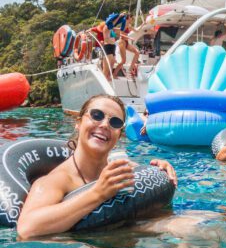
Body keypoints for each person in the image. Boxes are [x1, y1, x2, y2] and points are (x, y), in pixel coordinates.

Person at [16, 95, 177, 239]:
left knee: (194, 228)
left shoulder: (124, 169)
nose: (105, 125)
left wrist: (159, 169)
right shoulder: (56, 181)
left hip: (131, 241)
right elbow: (26, 229)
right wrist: (99, 193)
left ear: (119, 135)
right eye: (97, 115)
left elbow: (153, 201)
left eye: (115, 122)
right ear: (78, 123)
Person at [114, 14, 140, 78]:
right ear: (128, 18)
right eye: (132, 18)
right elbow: (121, 35)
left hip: (126, 42)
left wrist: (143, 24)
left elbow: (137, 31)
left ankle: (130, 70)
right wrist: (130, 38)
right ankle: (114, 74)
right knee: (123, 61)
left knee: (137, 53)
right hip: (122, 42)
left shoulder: (129, 25)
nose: (132, 19)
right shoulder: (124, 23)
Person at [101, 13, 120, 80]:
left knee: (112, 63)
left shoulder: (111, 29)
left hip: (113, 46)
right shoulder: (106, 27)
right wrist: (119, 17)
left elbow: (117, 27)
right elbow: (114, 24)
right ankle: (104, 79)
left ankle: (108, 77)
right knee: (106, 67)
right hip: (108, 46)